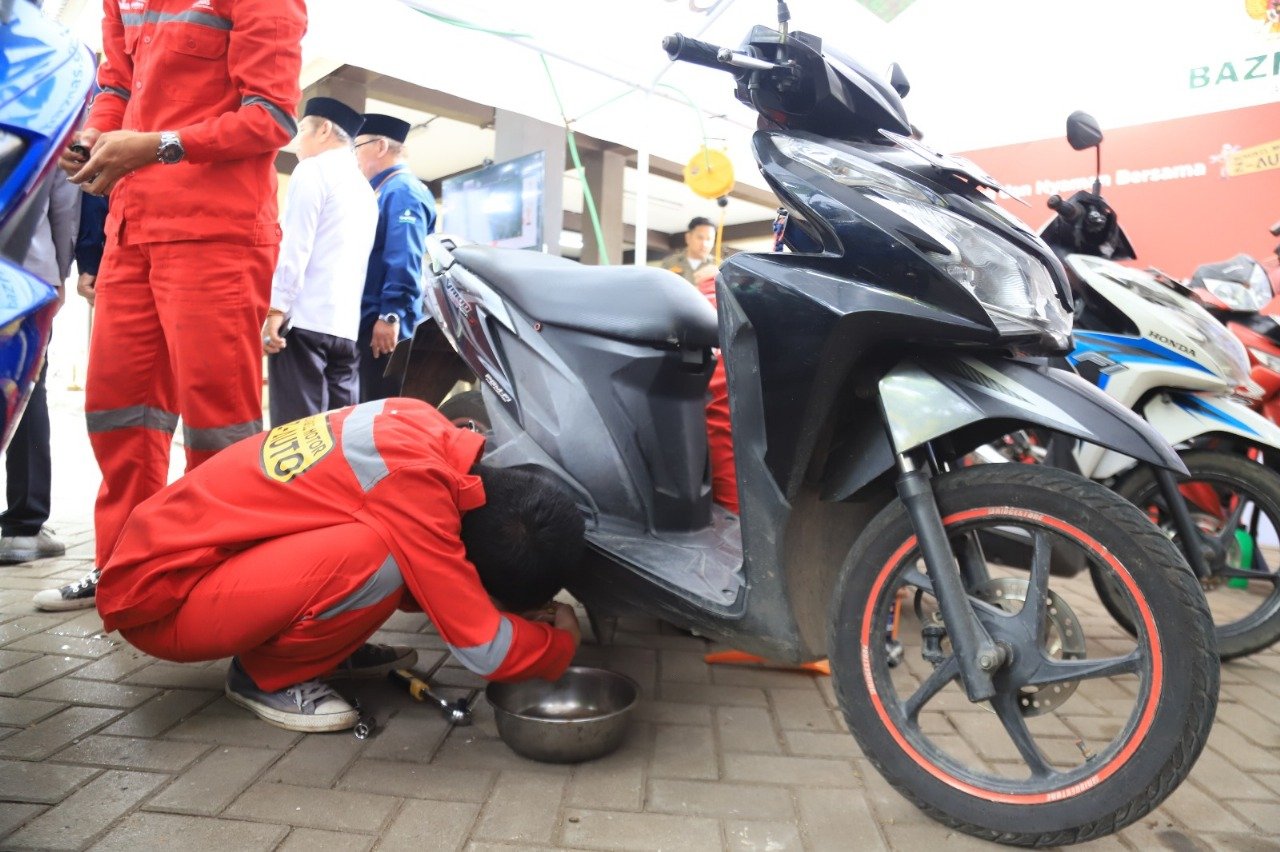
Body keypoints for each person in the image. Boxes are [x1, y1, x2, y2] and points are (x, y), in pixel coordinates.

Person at [34, 0, 307, 611]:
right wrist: (94, 134)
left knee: (218, 423)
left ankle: (217, 580)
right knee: (118, 412)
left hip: (217, 233)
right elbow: (117, 82)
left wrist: (156, 147)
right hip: (133, 231)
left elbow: (272, 118)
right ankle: (125, 573)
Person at [94, 398, 584, 732]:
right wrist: (559, 643)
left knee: (389, 555)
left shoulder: (422, 422)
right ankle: (264, 675)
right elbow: (481, 648)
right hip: (163, 602)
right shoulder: (417, 491)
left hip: (177, 560)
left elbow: (435, 584)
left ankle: (321, 647)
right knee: (380, 558)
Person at [263, 97, 378, 425]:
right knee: (338, 438)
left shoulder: (313, 170)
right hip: (344, 330)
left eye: (302, 130)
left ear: (324, 129)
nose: (296, 141)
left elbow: (295, 247)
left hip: (304, 325)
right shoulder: (364, 189)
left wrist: (276, 309)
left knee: (296, 438)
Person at [0, 177, 80, 565]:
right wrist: (61, 271)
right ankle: (23, 528)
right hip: (27, 271)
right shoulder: (48, 114)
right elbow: (65, 205)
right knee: (25, 390)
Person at [353, 113, 436, 402]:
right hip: (372, 321)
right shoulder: (383, 190)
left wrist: (391, 314)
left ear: (380, 147)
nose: (356, 156)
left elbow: (404, 258)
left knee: (381, 410)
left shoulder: (402, 191)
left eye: (358, 146)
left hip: (384, 326)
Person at [654, 216, 718, 286]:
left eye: (709, 239)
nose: (704, 244)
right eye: (700, 238)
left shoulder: (718, 266)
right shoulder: (670, 263)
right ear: (688, 237)